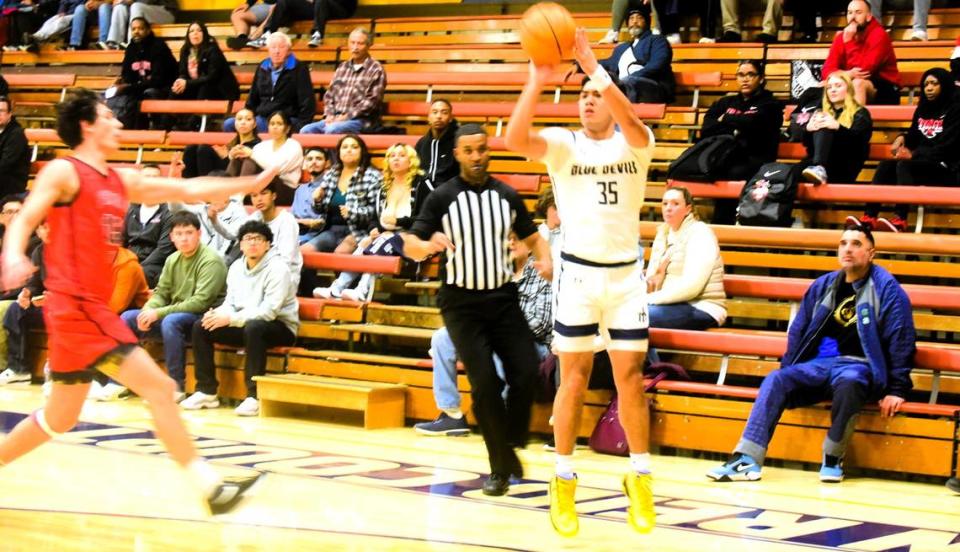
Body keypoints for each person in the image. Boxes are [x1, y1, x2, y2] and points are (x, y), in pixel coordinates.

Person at [0, 88, 280, 513]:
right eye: (107, 117)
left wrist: (250, 183)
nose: (116, 122)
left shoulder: (120, 180)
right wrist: (14, 253)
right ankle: (209, 488)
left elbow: (188, 188)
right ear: (87, 125)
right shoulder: (64, 171)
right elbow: (26, 214)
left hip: (87, 308)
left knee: (60, 417)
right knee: (161, 387)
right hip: (77, 307)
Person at [505, 28, 655, 537]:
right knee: (573, 377)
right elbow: (515, 139)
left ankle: (640, 476)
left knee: (629, 377)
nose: (589, 101)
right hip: (579, 276)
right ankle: (563, 478)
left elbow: (634, 120)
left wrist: (594, 67)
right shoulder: (563, 146)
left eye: (596, 95)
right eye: (583, 96)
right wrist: (535, 79)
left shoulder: (637, 145)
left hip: (626, 279)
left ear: (611, 100)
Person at [402, 123, 552, 497]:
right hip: (462, 304)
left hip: (502, 298)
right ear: (457, 154)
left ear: (489, 150)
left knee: (528, 371)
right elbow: (410, 245)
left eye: (482, 149)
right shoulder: (443, 198)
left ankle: (510, 441)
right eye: (469, 151)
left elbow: (534, 239)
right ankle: (499, 465)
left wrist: (546, 261)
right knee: (485, 382)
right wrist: (428, 244)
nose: (477, 156)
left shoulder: (506, 195)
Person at [708, 223, 915, 483]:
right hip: (819, 365)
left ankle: (833, 457)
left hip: (858, 366)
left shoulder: (888, 290)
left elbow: (901, 338)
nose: (848, 249)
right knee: (776, 379)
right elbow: (799, 331)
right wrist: (789, 371)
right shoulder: (823, 285)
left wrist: (896, 389)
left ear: (871, 253)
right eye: (843, 243)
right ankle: (747, 459)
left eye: (856, 244)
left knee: (850, 381)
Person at [414, 230, 552, 436]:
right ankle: (451, 414)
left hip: (535, 345)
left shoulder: (543, 272)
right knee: (442, 338)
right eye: (507, 239)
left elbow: (540, 323)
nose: (511, 243)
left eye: (517, 238)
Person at [183, 219, 299, 417]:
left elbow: (268, 312)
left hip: (280, 327)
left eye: (258, 239)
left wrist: (230, 319)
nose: (253, 243)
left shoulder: (279, 269)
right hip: (243, 322)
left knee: (255, 327)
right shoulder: (236, 267)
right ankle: (207, 391)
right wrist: (218, 315)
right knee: (201, 326)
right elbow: (231, 302)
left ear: (268, 244)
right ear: (241, 244)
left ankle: (253, 395)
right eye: (248, 239)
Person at [120, 210, 227, 401]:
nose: (184, 239)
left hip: (201, 319)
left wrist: (158, 313)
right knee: (128, 318)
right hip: (175, 315)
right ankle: (123, 381)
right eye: (179, 234)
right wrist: (147, 311)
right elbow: (161, 293)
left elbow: (200, 302)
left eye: (189, 233)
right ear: (171, 237)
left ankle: (175, 386)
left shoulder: (211, 260)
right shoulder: (172, 259)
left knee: (171, 321)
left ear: (199, 234)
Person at [312, 142, 433, 301]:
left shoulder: (423, 184)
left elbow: (428, 218)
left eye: (402, 155)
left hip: (415, 238)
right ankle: (336, 289)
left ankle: (362, 290)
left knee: (384, 240)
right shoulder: (383, 187)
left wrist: (399, 221)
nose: (396, 159)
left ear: (411, 161)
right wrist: (374, 229)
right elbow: (375, 219)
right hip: (388, 236)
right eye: (392, 156)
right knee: (365, 242)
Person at [852, 68, 960, 233]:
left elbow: (949, 147)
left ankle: (900, 219)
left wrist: (914, 154)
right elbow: (914, 136)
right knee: (886, 166)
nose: (929, 88)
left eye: (934, 83)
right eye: (925, 85)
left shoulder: (956, 109)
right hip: (923, 164)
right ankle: (869, 217)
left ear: (944, 85)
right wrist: (902, 138)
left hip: (948, 167)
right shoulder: (923, 108)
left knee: (904, 165)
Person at [698, 59, 783, 224]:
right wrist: (738, 125)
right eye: (741, 75)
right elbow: (707, 127)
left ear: (761, 78)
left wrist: (726, 119)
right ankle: (721, 228)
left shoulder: (771, 103)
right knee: (714, 170)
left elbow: (756, 125)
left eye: (751, 74)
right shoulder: (726, 102)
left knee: (732, 173)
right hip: (727, 158)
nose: (745, 79)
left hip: (757, 159)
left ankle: (731, 228)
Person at [647, 187, 725, 330]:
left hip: (701, 306)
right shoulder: (662, 234)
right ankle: (651, 354)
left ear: (688, 209)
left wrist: (650, 300)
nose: (668, 208)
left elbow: (692, 288)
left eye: (675, 203)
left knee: (637, 318)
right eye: (665, 204)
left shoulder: (700, 233)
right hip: (667, 304)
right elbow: (651, 279)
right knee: (618, 315)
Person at [300, 134, 382, 254]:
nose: (349, 150)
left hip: (358, 230)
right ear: (338, 152)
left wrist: (353, 212)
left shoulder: (373, 176)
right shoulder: (331, 174)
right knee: (303, 252)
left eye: (354, 147)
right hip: (331, 230)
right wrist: (317, 200)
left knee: (341, 252)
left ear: (362, 152)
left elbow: (376, 211)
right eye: (345, 147)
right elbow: (320, 210)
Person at [223, 32, 314, 133]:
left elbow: (307, 100)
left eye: (281, 47)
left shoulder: (299, 68)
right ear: (268, 49)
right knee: (229, 124)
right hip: (262, 117)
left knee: (258, 126)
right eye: (273, 47)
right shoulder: (263, 66)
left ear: (288, 50)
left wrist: (302, 125)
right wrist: (247, 116)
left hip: (286, 119)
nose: (277, 51)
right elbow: (253, 97)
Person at [300, 28, 385, 135]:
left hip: (361, 120)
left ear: (368, 46)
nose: (355, 47)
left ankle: (330, 152)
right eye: (352, 43)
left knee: (332, 130)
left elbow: (371, 102)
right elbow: (329, 95)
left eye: (360, 44)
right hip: (335, 118)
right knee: (306, 130)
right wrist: (330, 115)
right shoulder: (342, 67)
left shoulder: (376, 69)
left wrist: (346, 117)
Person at [799, 71, 873, 186]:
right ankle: (818, 168)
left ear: (848, 89)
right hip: (814, 165)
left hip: (844, 165)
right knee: (786, 174)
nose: (832, 90)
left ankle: (820, 168)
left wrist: (837, 127)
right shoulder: (821, 111)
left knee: (825, 126)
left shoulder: (860, 113)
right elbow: (808, 147)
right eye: (829, 87)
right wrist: (808, 130)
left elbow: (860, 144)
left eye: (838, 86)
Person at [822, 0, 900, 106]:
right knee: (823, 85)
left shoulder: (879, 35)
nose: (853, 17)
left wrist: (849, 43)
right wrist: (846, 74)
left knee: (857, 83)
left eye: (858, 12)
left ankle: (856, 122)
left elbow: (863, 71)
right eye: (850, 13)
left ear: (869, 16)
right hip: (848, 82)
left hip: (884, 88)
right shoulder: (841, 37)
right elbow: (827, 70)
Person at [0, 221, 48, 385]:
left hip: (69, 305)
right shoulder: (39, 251)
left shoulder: (72, 251)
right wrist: (26, 293)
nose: (48, 231)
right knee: (15, 309)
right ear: (38, 231)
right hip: (46, 304)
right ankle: (19, 369)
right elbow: (35, 283)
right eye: (43, 227)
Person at [108, 17, 177, 130]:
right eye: (133, 29)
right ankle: (129, 137)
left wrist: (130, 87)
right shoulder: (131, 48)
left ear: (148, 30)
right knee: (118, 95)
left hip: (164, 87)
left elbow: (158, 80)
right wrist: (125, 85)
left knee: (147, 94)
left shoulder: (159, 46)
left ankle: (158, 131)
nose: (136, 31)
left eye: (140, 28)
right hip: (140, 87)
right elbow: (127, 74)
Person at [598, 6, 674, 104]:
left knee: (628, 82)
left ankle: (625, 116)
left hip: (653, 88)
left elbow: (658, 64)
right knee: (595, 82)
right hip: (624, 87)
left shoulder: (657, 41)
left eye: (639, 18)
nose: (634, 21)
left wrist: (631, 77)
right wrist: (579, 65)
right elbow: (607, 63)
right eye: (631, 18)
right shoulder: (622, 48)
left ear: (646, 22)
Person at [227, 110, 303, 206]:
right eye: (272, 124)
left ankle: (238, 199)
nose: (275, 127)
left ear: (287, 128)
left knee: (251, 160)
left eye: (279, 124)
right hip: (263, 188)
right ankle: (224, 195)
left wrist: (252, 154)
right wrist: (233, 155)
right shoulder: (262, 146)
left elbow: (277, 170)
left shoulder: (294, 146)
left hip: (285, 189)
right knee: (240, 157)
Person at [122, 165, 175, 287]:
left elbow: (163, 250)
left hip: (154, 264)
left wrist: (138, 267)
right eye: (147, 178)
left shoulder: (168, 212)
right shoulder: (131, 209)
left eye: (155, 178)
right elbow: (122, 241)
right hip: (130, 259)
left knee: (140, 274)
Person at [170, 22, 240, 107]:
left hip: (220, 89)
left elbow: (212, 77)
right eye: (191, 31)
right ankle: (167, 119)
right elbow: (183, 72)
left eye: (199, 30)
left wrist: (187, 83)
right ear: (188, 36)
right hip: (197, 87)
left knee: (205, 88)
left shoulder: (213, 50)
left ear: (204, 34)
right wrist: (180, 81)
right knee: (176, 90)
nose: (195, 33)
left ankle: (195, 119)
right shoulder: (185, 50)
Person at [182, 108, 261, 179]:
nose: (243, 122)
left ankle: (205, 188)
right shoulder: (234, 142)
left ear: (254, 124)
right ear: (235, 123)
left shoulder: (258, 144)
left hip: (237, 173)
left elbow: (243, 166)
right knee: (191, 148)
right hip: (224, 170)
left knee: (204, 149)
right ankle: (187, 186)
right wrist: (226, 157)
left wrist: (229, 157)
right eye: (239, 119)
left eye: (248, 119)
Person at [414, 99, 459, 189]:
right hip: (424, 194)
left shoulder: (458, 141)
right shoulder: (422, 143)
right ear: (428, 117)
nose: (439, 116)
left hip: (450, 193)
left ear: (450, 118)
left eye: (444, 112)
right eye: (434, 112)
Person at [292, 148, 331, 245]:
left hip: (318, 236)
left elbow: (320, 223)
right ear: (305, 163)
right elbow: (292, 218)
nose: (313, 162)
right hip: (295, 234)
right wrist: (306, 222)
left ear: (327, 163)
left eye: (318, 159)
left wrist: (304, 222)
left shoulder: (330, 187)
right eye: (310, 159)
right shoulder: (300, 189)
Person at [107, 0, 176, 49]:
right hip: (144, 10)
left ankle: (132, 43)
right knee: (119, 7)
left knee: (136, 6)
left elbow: (147, 1)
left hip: (166, 12)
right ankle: (113, 43)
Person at [0, 97, 29, 199]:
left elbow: (4, 164)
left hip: (11, 188)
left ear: (9, 114)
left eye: (2, 111)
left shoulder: (16, 134)